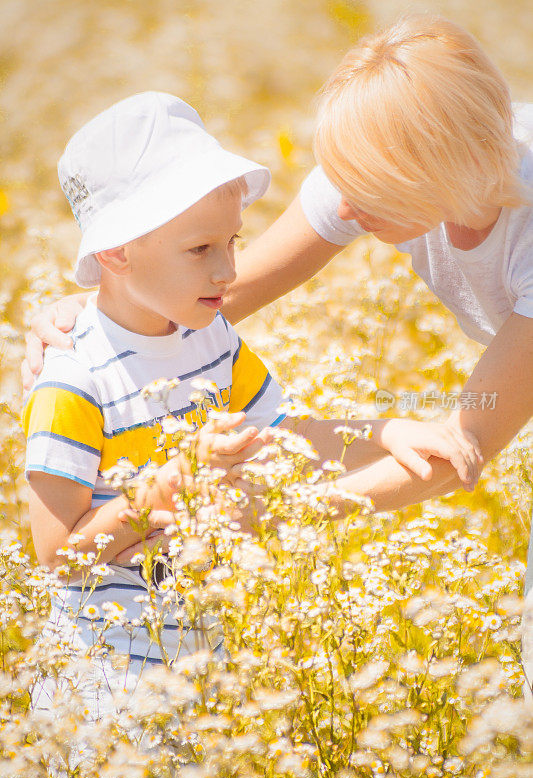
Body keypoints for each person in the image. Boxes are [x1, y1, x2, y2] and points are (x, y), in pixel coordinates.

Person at [23, 15, 533, 582]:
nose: (340, 210)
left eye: (364, 190)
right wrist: (89, 317)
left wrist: (271, 512)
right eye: (342, 181)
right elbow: (211, 296)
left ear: (440, 173)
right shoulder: (375, 169)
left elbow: (465, 444)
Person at [24, 91, 481, 720]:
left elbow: (282, 436)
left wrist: (384, 429)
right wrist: (167, 492)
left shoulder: (210, 336)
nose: (227, 271)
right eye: (200, 250)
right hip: (107, 680)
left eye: (232, 242)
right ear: (115, 253)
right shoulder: (72, 379)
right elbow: (56, 555)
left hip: (207, 660)